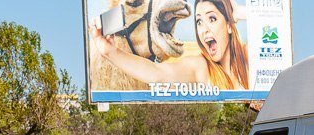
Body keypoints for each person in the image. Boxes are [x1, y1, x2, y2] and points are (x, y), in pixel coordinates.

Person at [91, 0, 249, 90]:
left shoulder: (252, 57)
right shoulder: (201, 67)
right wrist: (110, 52)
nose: (204, 30)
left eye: (212, 19)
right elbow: (157, 74)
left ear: (229, 25)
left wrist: (243, 13)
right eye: (199, 22)